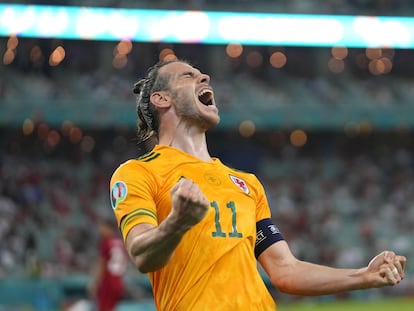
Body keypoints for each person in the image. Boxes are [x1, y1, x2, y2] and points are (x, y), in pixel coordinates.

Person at [109, 59, 407, 310]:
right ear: (162, 99)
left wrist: (364, 276)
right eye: (188, 75)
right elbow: (141, 254)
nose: (204, 76)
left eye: (201, 74)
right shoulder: (137, 173)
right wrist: (177, 222)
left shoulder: (247, 184)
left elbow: (285, 271)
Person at [88, 217, 128, 311]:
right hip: (118, 281)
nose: (99, 229)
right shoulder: (119, 242)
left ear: (108, 228)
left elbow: (102, 264)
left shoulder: (105, 243)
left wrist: (95, 283)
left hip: (108, 281)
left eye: (102, 227)